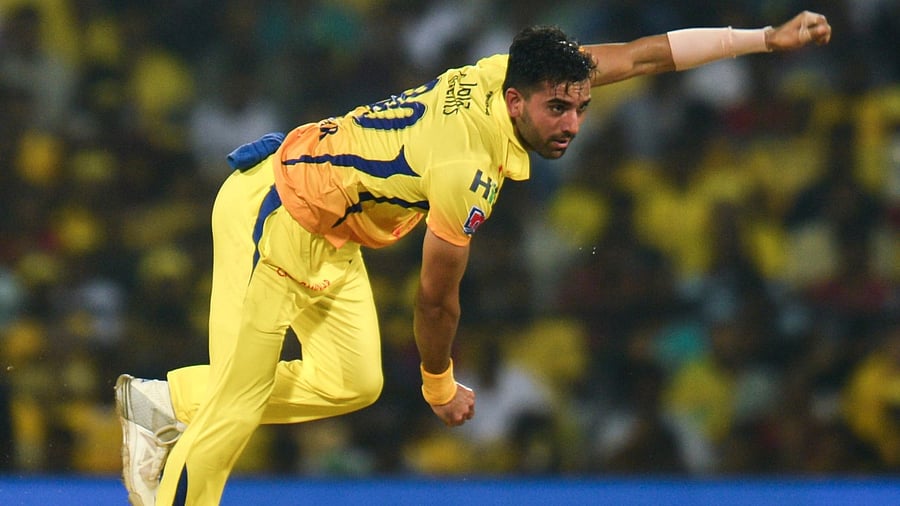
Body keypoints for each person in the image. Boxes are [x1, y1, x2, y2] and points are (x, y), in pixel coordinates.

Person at [115, 10, 832, 505]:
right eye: (559, 110)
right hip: (270, 211)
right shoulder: (469, 167)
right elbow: (434, 299)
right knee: (238, 405)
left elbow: (646, 54)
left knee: (354, 381)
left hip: (331, 229)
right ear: (517, 102)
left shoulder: (505, 75)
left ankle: (165, 400)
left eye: (580, 106)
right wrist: (437, 383)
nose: (574, 124)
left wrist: (766, 39)